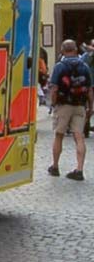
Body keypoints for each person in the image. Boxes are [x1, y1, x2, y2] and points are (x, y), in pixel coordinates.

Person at [48, 39, 93, 181]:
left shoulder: (59, 66)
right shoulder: (84, 66)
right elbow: (90, 90)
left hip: (63, 105)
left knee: (59, 135)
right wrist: (90, 107)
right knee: (79, 137)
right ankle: (79, 170)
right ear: (75, 50)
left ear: (62, 51)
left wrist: (53, 103)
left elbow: (54, 88)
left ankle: (55, 167)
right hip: (79, 105)